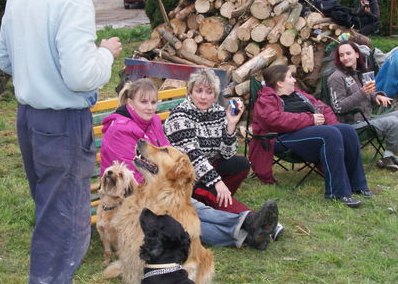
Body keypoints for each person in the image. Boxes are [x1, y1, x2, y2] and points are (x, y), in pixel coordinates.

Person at [0, 0, 122, 284]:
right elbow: (81, 76)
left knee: (49, 210)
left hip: (30, 118)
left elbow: (5, 60)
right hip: (63, 122)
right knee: (66, 220)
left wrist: (36, 68)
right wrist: (105, 53)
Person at [101, 78, 280, 249]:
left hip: (157, 187)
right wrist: (168, 188)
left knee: (189, 207)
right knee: (183, 216)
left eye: (153, 102)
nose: (150, 107)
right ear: (130, 103)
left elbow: (169, 156)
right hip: (128, 198)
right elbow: (132, 179)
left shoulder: (153, 121)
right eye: (144, 102)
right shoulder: (120, 130)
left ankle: (248, 224)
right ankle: (247, 232)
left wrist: (230, 126)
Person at [249, 64, 372, 209]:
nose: (294, 80)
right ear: (280, 83)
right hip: (283, 138)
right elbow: (274, 120)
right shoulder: (267, 99)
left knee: (347, 131)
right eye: (290, 77)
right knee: (330, 134)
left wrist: (334, 126)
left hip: (310, 132)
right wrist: (310, 119)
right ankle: (337, 193)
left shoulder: (298, 94)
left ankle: (358, 185)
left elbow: (323, 108)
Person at [163, 69, 251, 214]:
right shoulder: (180, 116)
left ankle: (216, 202)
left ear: (215, 96)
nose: (203, 97)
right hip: (184, 176)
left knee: (241, 164)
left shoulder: (218, 112)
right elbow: (193, 157)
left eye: (209, 92)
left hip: (207, 167)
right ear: (190, 92)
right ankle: (250, 218)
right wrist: (217, 182)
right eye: (199, 91)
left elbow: (227, 154)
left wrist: (231, 124)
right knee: (211, 189)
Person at [326, 41, 398, 172]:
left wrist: (377, 96)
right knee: (393, 122)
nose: (345, 58)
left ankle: (388, 156)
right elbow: (338, 107)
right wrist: (362, 92)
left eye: (348, 53)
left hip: (367, 118)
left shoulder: (359, 73)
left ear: (357, 54)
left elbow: (368, 95)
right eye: (341, 55)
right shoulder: (336, 78)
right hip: (352, 125)